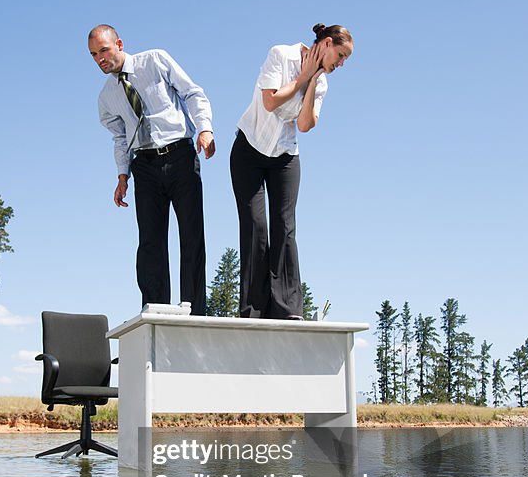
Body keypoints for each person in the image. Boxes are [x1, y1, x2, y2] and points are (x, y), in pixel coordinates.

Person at [230, 23, 354, 319]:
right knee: (256, 227)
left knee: (285, 227)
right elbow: (271, 101)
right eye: (340, 55)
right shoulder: (281, 55)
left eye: (344, 60)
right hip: (249, 150)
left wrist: (312, 81)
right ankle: (253, 309)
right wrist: (303, 77)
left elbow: (304, 124)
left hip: (285, 157)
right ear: (325, 44)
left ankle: (286, 309)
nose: (340, 64)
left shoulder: (322, 83)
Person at [89, 24, 215, 315]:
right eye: (94, 55)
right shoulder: (106, 97)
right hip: (144, 165)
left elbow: (193, 93)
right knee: (150, 244)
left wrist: (205, 129)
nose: (100, 59)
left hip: (180, 155)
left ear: (119, 43)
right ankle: (156, 311)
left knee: (192, 236)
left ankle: (195, 312)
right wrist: (122, 175)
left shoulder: (155, 60)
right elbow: (120, 138)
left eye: (104, 51)